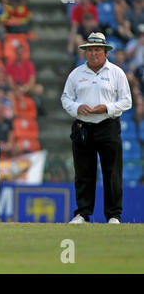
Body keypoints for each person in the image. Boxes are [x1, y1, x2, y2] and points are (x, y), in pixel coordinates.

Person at [61, 32, 132, 224]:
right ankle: (83, 213)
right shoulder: (76, 74)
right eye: (90, 50)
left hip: (108, 125)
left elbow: (127, 101)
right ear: (85, 52)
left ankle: (114, 215)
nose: (93, 54)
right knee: (84, 172)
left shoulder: (116, 73)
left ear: (105, 52)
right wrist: (77, 108)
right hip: (83, 127)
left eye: (97, 50)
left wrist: (107, 108)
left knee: (112, 172)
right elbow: (65, 98)